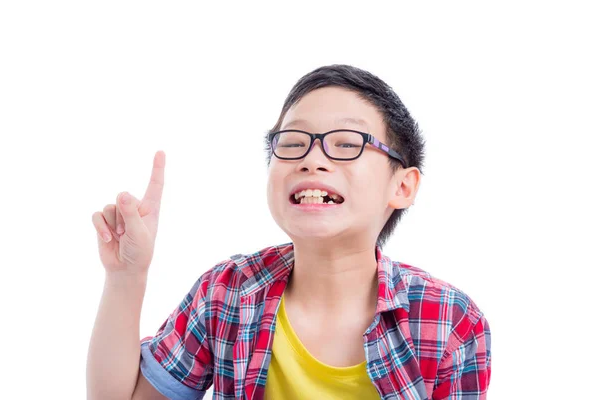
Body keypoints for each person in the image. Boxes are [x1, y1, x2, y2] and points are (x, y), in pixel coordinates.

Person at [87, 64, 491, 400]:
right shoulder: (227, 292)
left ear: (402, 186)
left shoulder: (450, 320)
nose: (312, 160)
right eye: (293, 143)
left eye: (347, 143)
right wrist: (126, 276)